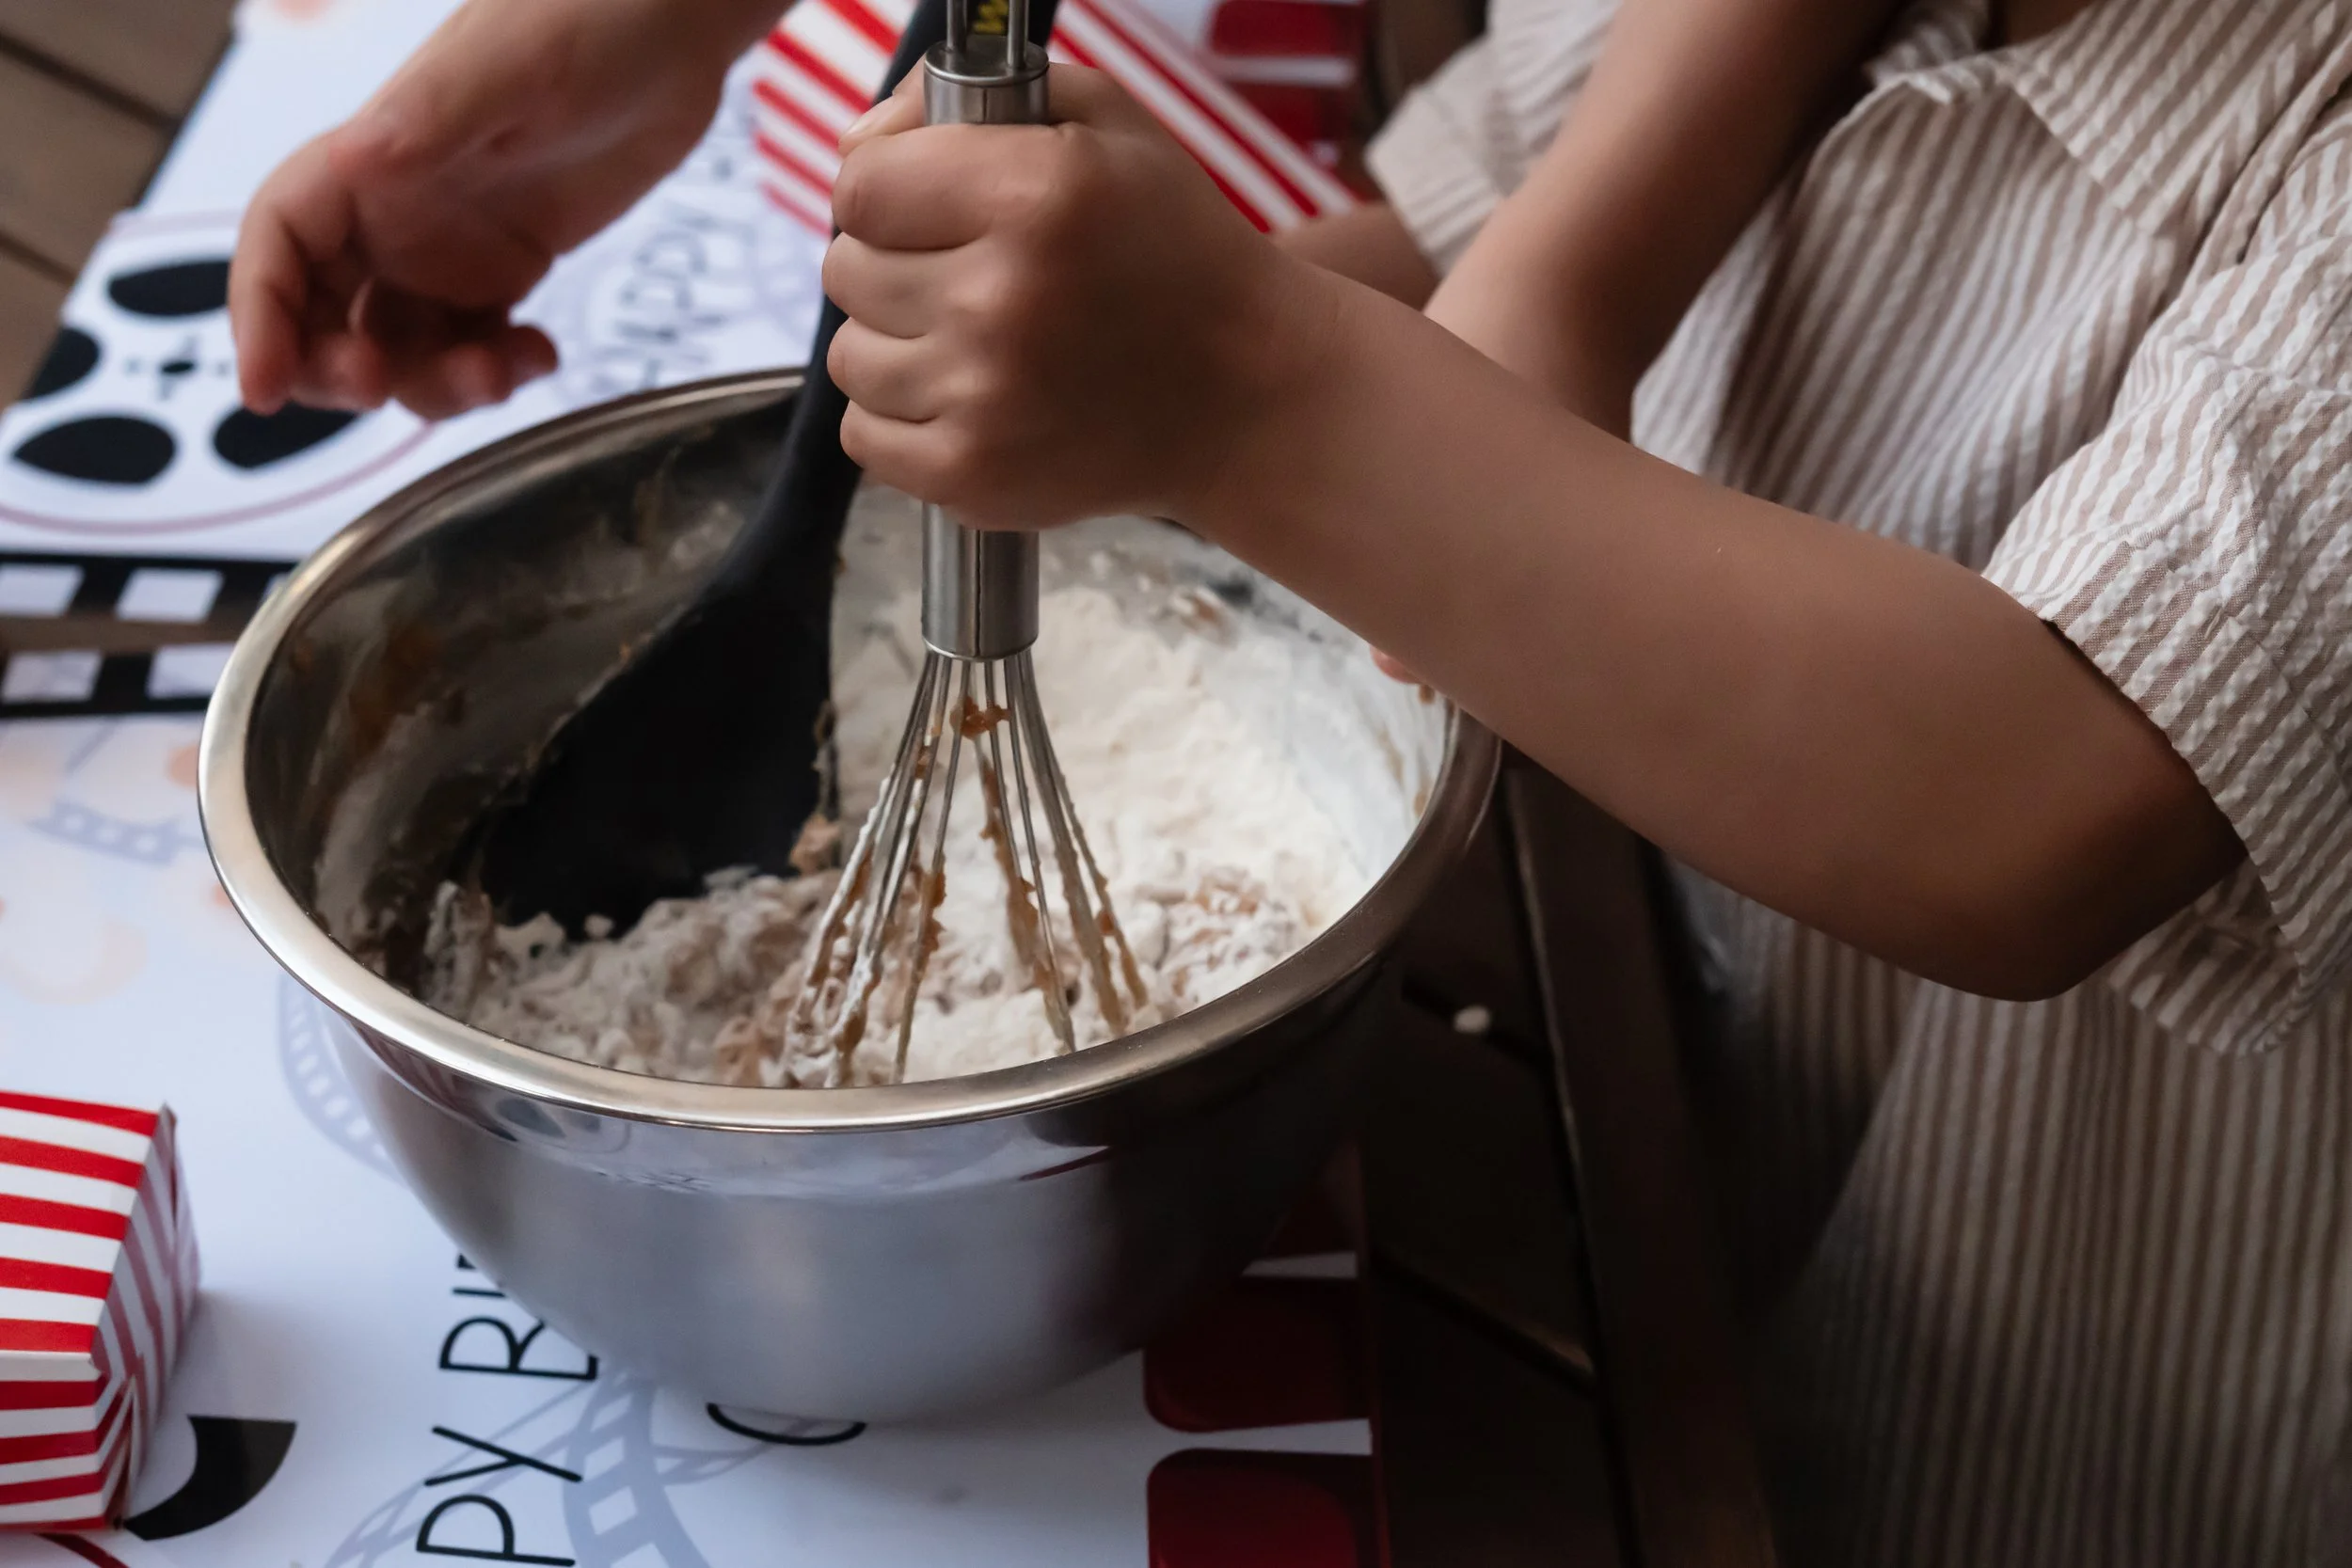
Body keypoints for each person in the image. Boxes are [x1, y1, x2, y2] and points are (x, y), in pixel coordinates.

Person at [228, 0, 2352, 1561]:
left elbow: (2026, 795)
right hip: (1621, 1149)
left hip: (2029, 1423)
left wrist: (1246, 380)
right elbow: (1444, 262)